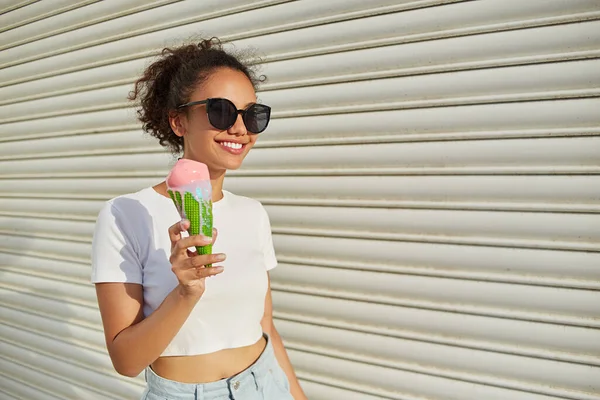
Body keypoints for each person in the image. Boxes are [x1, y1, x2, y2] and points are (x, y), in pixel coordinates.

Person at [91, 38, 307, 400]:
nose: (241, 129)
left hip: (267, 383)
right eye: (221, 111)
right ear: (178, 121)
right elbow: (126, 360)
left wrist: (296, 395)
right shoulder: (127, 214)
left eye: (252, 115)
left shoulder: (252, 213)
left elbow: (264, 325)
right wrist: (186, 292)